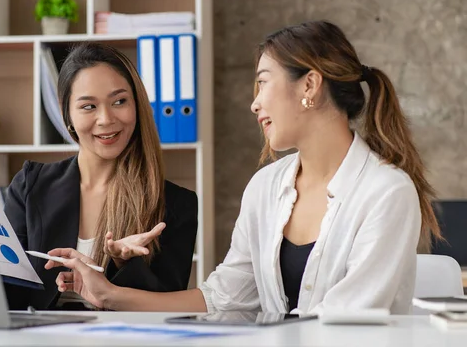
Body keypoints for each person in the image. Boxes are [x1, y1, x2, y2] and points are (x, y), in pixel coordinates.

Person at [44, 20, 441, 315]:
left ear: (309, 86)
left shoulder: (386, 192)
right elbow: (223, 300)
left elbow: (344, 323)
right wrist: (107, 293)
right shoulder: (266, 188)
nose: (254, 104)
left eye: (263, 83)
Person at [2, 42, 198, 310]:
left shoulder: (177, 204)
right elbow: (8, 296)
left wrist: (124, 264)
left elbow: (168, 307)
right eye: (88, 106)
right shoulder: (30, 185)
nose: (106, 119)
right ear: (67, 114)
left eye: (119, 101)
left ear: (137, 105)